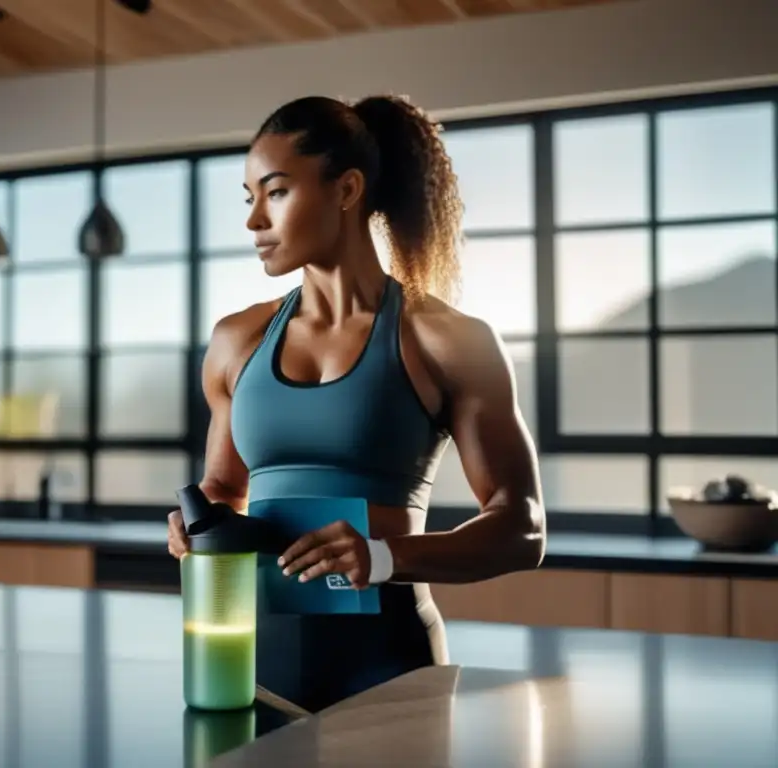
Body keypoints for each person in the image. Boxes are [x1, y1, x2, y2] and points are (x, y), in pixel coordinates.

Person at [167, 93, 546, 713]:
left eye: (277, 192)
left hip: (389, 671)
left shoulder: (445, 339)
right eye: (249, 197)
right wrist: (194, 524)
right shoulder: (236, 341)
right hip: (250, 666)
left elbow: (521, 526)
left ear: (346, 190)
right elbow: (221, 487)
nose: (253, 221)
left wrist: (382, 555)